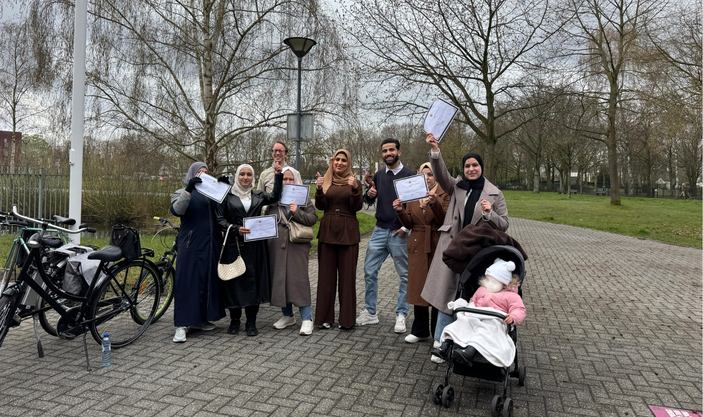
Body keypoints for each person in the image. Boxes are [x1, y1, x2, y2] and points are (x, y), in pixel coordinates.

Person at [422, 132, 509, 363]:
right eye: (467, 166)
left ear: (481, 167)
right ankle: (441, 342)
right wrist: (435, 151)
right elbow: (441, 174)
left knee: (472, 298)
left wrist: (490, 213)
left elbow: (505, 224)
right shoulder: (456, 187)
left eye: (475, 165)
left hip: (478, 253)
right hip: (453, 249)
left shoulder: (495, 193)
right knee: (447, 295)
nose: (471, 169)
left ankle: (470, 346)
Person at [216, 162, 283, 336]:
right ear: (237, 176)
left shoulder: (258, 195)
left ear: (253, 177)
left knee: (254, 283)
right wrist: (235, 228)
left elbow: (275, 196)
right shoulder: (227, 196)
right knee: (234, 283)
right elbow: (219, 219)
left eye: (249, 174)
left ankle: (251, 322)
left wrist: (278, 175)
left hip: (255, 247)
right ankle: (235, 320)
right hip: (234, 246)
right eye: (242, 174)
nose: (245, 178)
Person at [356, 138, 415, 333]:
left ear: (399, 152)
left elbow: (415, 206)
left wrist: (406, 228)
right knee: (369, 270)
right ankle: (371, 312)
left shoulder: (409, 175)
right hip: (379, 230)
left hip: (400, 232)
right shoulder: (379, 175)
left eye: (391, 150)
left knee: (405, 275)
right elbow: (368, 201)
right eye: (385, 151)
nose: (388, 153)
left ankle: (401, 314)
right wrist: (369, 195)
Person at [169, 162, 228, 343]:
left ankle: (201, 319)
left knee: (208, 280)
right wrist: (188, 190)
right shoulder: (182, 192)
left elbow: (224, 213)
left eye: (206, 172)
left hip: (211, 244)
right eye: (199, 173)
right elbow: (177, 210)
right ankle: (182, 325)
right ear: (192, 174)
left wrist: (225, 189)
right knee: (188, 282)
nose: (203, 175)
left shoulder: (211, 195)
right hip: (191, 244)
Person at [392, 162, 450, 343]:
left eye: (430, 174)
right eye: (423, 174)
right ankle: (420, 330)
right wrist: (400, 212)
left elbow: (444, 220)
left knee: (437, 287)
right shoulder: (412, 194)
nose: (427, 178)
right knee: (418, 287)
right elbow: (409, 223)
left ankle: (438, 333)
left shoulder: (445, 194)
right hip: (417, 244)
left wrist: (434, 203)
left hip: (436, 242)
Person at [431, 258, 525, 367]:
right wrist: (469, 309)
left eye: (494, 282)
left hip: (494, 321)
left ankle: (469, 352)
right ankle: (445, 346)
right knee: (459, 325)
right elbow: (473, 302)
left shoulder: (512, 296)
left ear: (505, 284)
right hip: (476, 316)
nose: (490, 284)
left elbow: (519, 309)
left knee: (484, 331)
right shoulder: (481, 290)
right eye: (488, 280)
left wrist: (513, 317)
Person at [314, 149, 363, 330]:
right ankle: (324, 318)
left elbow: (356, 207)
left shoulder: (354, 181)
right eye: (337, 159)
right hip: (327, 231)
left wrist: (355, 189)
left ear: (348, 163)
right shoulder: (326, 180)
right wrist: (319, 190)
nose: (339, 163)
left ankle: (347, 320)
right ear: (332, 161)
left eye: (343, 160)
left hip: (348, 233)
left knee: (347, 278)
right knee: (326, 278)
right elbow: (321, 206)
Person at [267, 167, 318, 336]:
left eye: (291, 179)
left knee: (298, 279)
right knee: (280, 279)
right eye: (284, 179)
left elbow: (312, 219)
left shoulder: (304, 199)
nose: (287, 182)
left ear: (296, 180)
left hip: (297, 245)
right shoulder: (274, 199)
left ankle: (307, 318)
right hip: (277, 246)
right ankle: (287, 315)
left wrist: (297, 213)